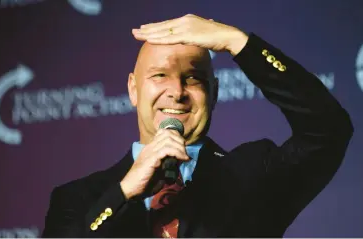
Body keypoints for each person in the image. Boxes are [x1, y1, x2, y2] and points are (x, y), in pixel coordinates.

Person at [41, 14, 353, 237]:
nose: (176, 92)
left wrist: (236, 41)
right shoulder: (78, 200)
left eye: (193, 78)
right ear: (133, 90)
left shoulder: (255, 176)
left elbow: (328, 128)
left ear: (214, 93)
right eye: (159, 75)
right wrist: (123, 194)